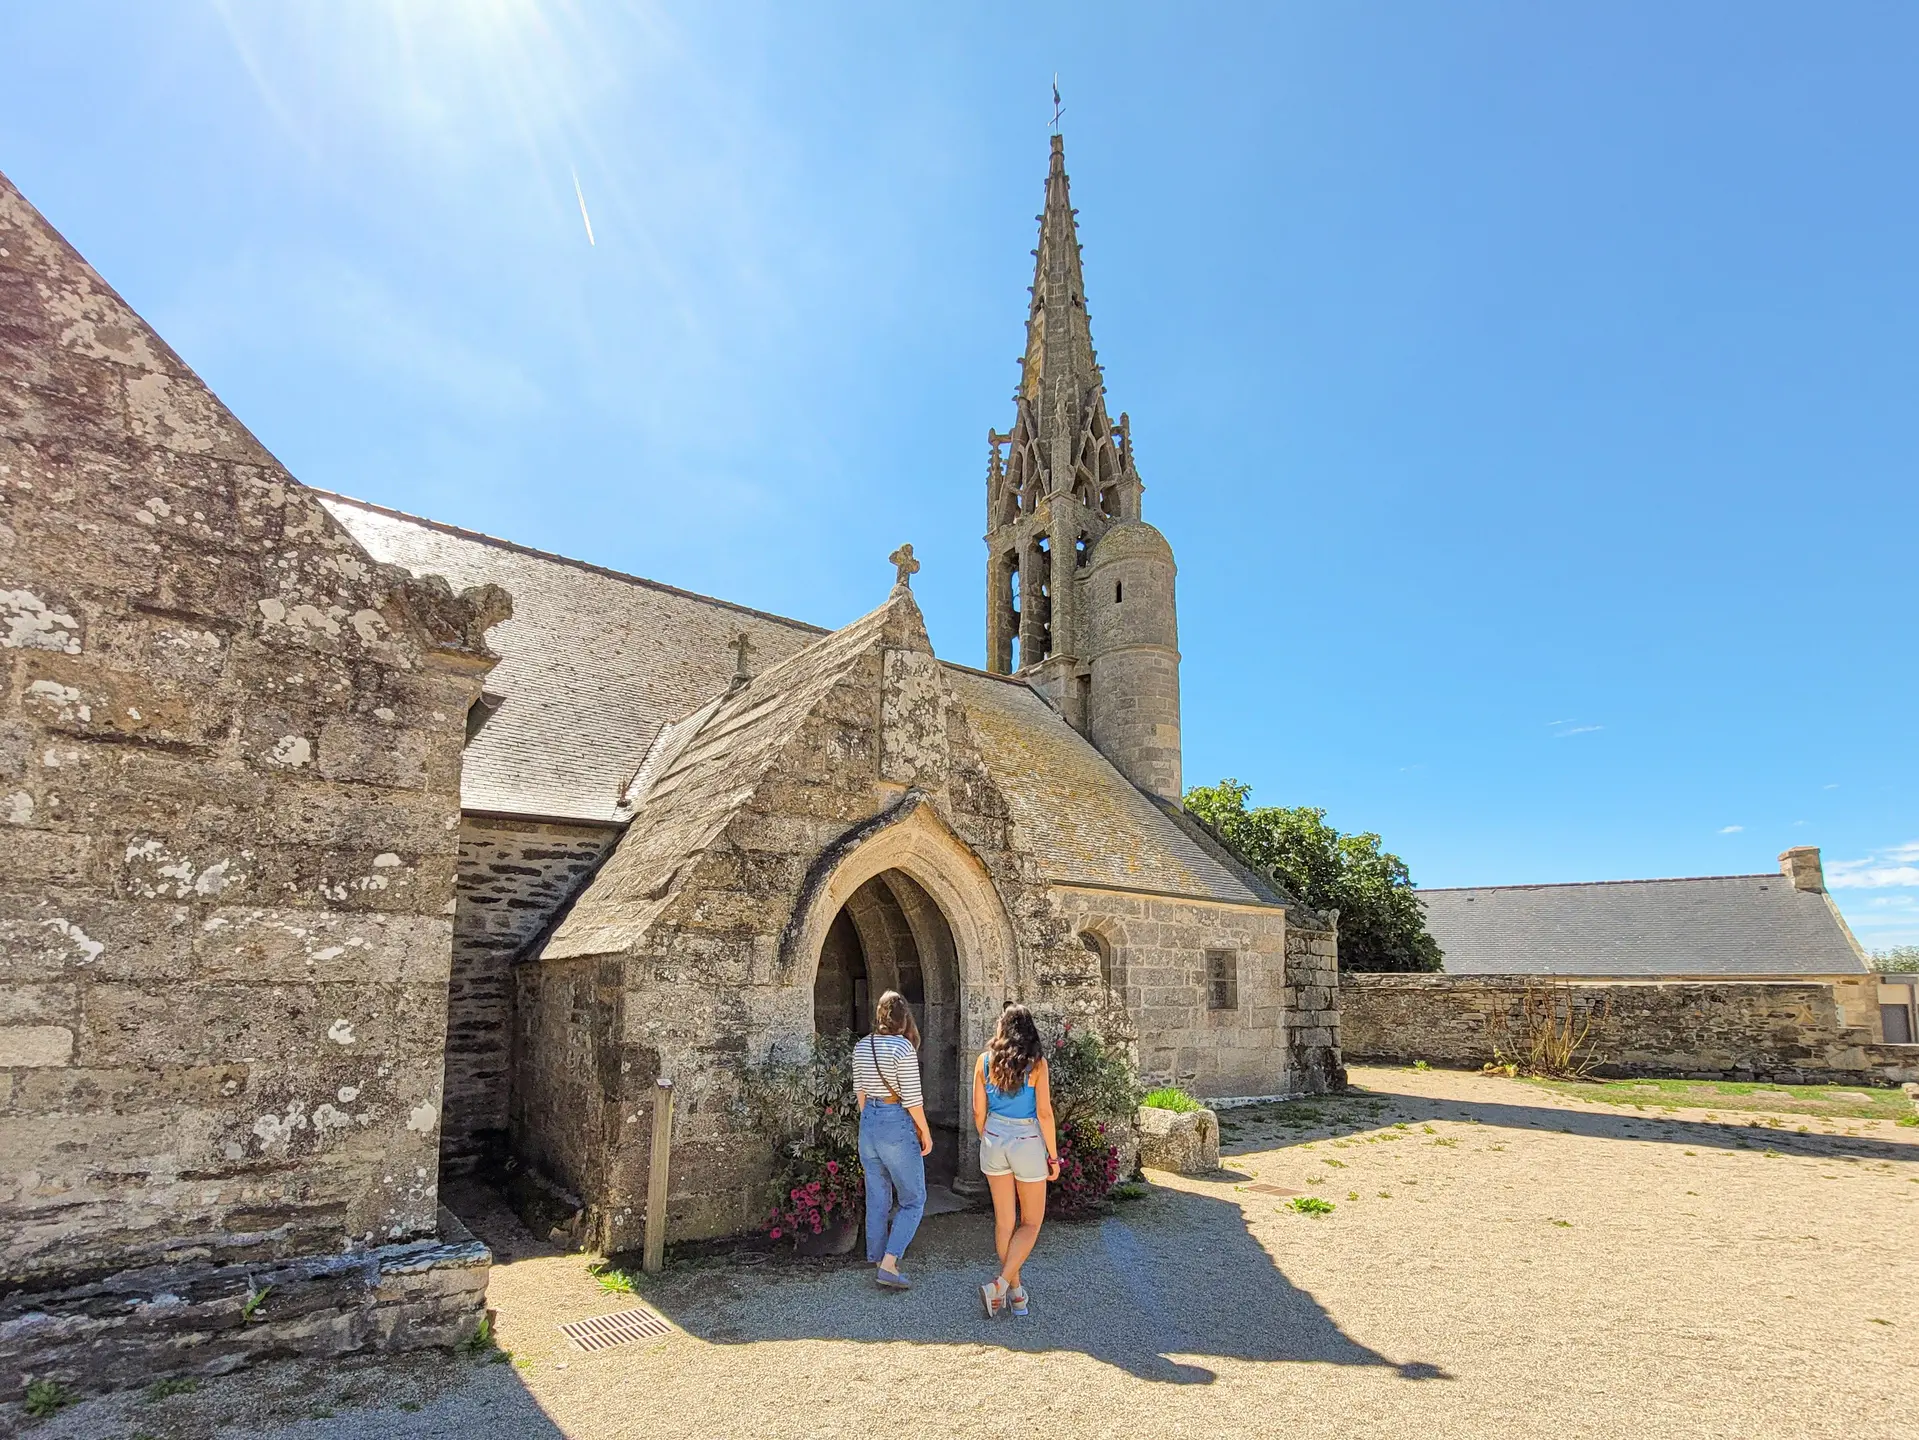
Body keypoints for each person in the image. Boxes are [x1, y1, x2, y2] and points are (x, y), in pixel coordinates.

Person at [972, 1003, 1058, 1318]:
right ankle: (1001, 1284)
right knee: (1031, 1222)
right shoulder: (1036, 1065)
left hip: (994, 1139)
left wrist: (989, 1136)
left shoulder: (983, 1062)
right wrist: (1053, 1155)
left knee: (1004, 1222)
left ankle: (1016, 1293)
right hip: (1027, 1141)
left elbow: (978, 1111)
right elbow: (1045, 1113)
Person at [853, 991, 934, 1290]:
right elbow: (912, 1099)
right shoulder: (902, 1049)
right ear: (903, 1018)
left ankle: (876, 1257)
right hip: (894, 1120)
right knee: (914, 1199)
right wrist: (924, 1131)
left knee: (877, 1196)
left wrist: (871, 1121)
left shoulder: (862, 1046)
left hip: (869, 1122)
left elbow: (860, 1091)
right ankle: (889, 1263)